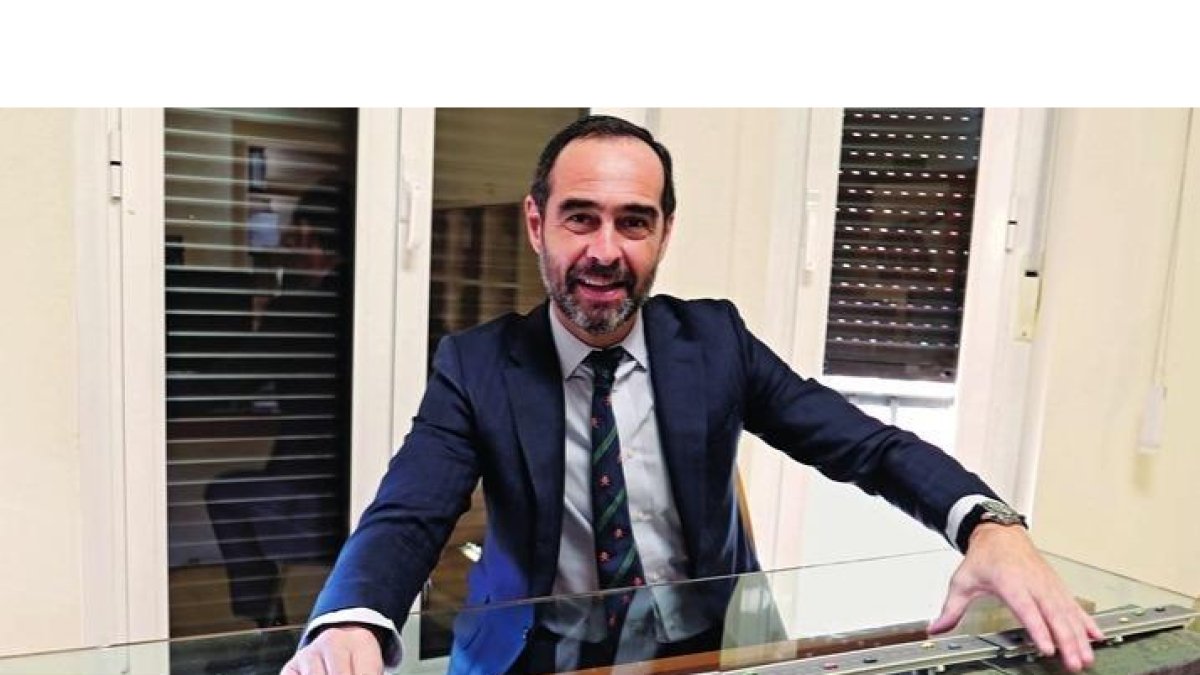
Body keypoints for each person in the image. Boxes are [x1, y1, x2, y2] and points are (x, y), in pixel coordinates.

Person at [282, 115, 1103, 675]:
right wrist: (352, 616)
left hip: (702, 650)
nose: (605, 251)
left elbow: (868, 445)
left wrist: (989, 523)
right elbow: (408, 513)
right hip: (532, 653)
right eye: (580, 218)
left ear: (665, 231)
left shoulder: (715, 342)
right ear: (537, 223)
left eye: (634, 222)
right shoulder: (477, 364)